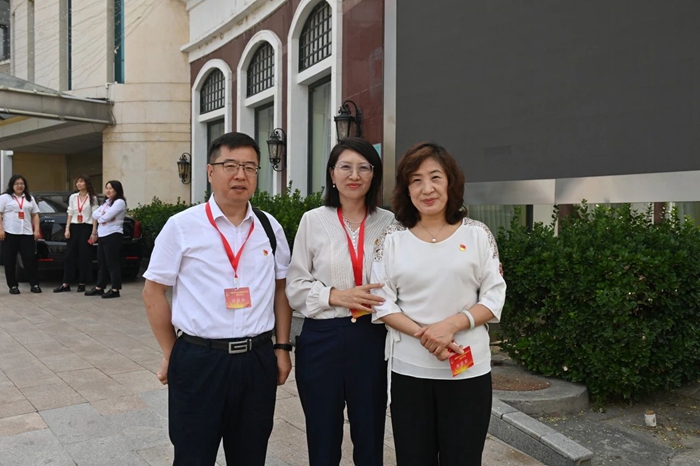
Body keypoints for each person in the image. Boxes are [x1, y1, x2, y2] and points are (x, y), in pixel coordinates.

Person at [142, 132, 293, 466]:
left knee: (251, 455)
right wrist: (172, 353)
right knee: (193, 456)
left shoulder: (270, 228)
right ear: (210, 171)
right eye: (230, 166)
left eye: (250, 167)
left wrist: (282, 348)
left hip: (256, 360)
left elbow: (282, 289)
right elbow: (153, 291)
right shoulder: (182, 226)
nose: (241, 175)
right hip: (200, 360)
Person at [371, 142, 506, 466]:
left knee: (464, 458)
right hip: (409, 371)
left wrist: (451, 325)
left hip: (468, 371)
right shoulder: (391, 239)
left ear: (451, 182)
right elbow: (382, 303)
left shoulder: (477, 234)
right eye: (416, 180)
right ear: (406, 189)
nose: (427, 188)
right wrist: (427, 335)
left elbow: (493, 296)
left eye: (435, 177)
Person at [286, 138, 394, 466]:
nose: (354, 175)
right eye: (345, 167)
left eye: (364, 168)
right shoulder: (313, 220)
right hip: (322, 339)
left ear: (374, 175)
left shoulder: (390, 223)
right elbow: (295, 286)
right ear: (332, 173)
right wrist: (335, 295)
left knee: (370, 434)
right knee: (322, 436)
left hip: (373, 337)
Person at [54, 175, 98, 293]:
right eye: (77, 182)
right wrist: (67, 228)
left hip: (86, 226)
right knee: (69, 255)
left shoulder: (92, 198)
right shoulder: (73, 197)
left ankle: (82, 282)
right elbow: (70, 213)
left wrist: (94, 232)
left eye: (81, 182)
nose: (79, 184)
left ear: (87, 183)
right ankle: (66, 283)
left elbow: (95, 215)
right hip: (74, 226)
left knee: (84, 255)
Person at [0, 175, 42, 294]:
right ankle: (13, 285)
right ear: (12, 185)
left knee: (30, 259)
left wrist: (36, 230)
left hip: (26, 232)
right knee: (10, 260)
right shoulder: (5, 198)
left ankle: (34, 284)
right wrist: (1, 229)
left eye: (22, 184)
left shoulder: (29, 198)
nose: (19, 186)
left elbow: (35, 214)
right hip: (9, 233)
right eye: (17, 184)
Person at [84, 180, 126, 299]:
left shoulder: (119, 202)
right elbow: (95, 214)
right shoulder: (107, 203)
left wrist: (103, 216)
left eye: (110, 188)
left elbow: (105, 218)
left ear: (117, 190)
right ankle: (99, 287)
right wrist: (104, 216)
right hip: (102, 234)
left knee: (112, 263)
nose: (108, 191)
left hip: (113, 234)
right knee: (102, 262)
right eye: (106, 188)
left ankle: (115, 289)